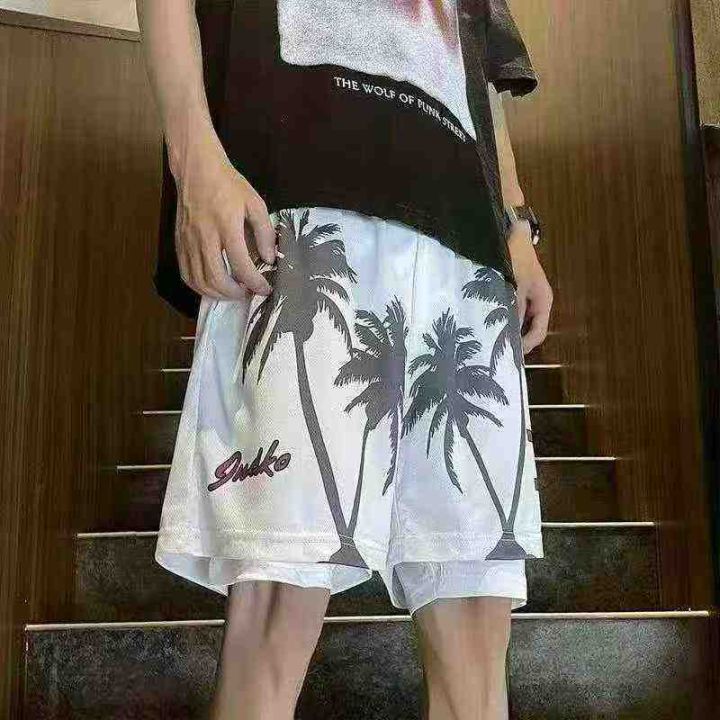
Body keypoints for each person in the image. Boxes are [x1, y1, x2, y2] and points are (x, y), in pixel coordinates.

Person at [137, 0, 553, 717]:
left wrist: (515, 223)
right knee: (279, 588)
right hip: (302, 210)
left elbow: (475, 44)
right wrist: (195, 156)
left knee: (476, 606)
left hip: (465, 235)